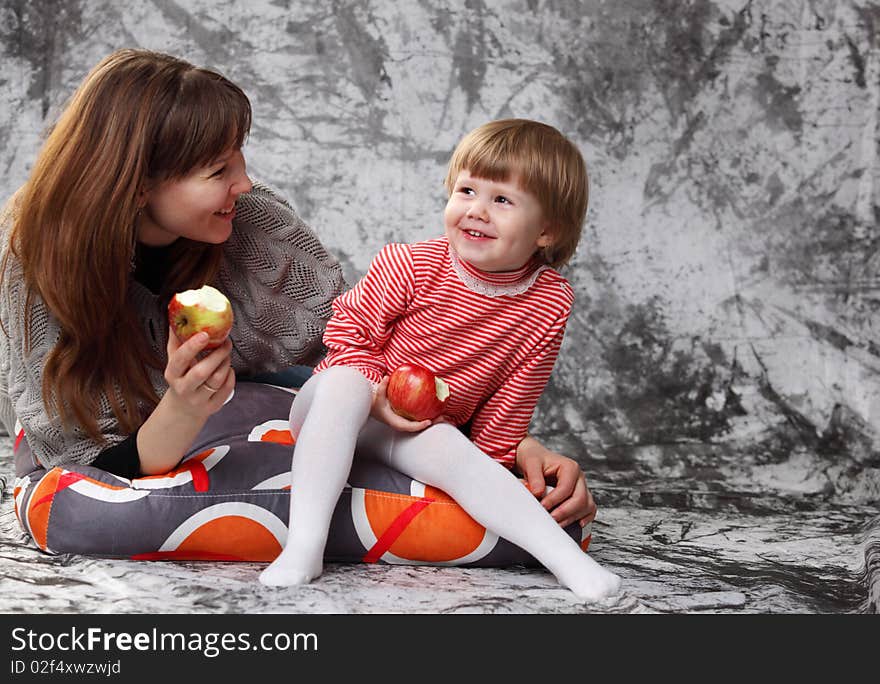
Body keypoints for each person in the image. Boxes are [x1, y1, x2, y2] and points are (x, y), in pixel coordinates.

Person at [261, 119, 622, 602]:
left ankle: (570, 564)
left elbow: (516, 393)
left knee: (454, 450)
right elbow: (347, 333)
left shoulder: (549, 301)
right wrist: (374, 392)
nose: (477, 210)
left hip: (418, 428)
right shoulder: (411, 264)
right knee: (346, 382)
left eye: (502, 200)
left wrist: (492, 459)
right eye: (468, 189)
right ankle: (305, 546)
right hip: (338, 405)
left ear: (546, 231)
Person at [0, 48, 346, 479]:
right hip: (125, 443)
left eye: (239, 155)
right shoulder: (36, 260)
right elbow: (89, 467)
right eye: (219, 171)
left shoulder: (253, 216)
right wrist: (184, 405)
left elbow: (348, 340)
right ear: (139, 186)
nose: (243, 182)